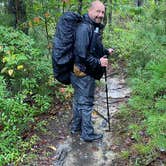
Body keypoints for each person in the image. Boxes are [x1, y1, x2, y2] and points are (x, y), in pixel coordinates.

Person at [70, 0, 114, 142]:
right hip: (83, 72)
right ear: (90, 10)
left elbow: (92, 47)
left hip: (79, 70)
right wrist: (98, 62)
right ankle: (87, 133)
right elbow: (82, 54)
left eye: (102, 12)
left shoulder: (92, 26)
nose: (100, 15)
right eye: (98, 11)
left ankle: (76, 127)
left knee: (78, 100)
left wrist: (106, 51)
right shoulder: (84, 28)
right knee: (86, 103)